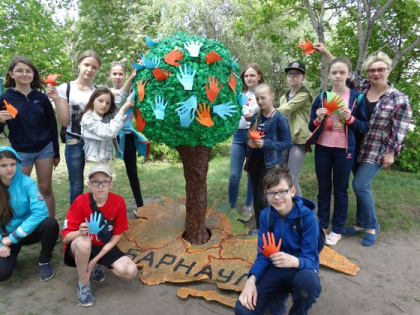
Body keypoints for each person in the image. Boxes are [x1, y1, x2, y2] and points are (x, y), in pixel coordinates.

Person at [315, 44, 412, 246]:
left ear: (388, 70)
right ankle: (360, 222)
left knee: (360, 185)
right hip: (355, 147)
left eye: (380, 69)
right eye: (372, 70)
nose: (376, 73)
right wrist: (325, 52)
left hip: (376, 150)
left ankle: (371, 226)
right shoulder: (363, 88)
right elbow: (342, 72)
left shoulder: (398, 98)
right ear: (368, 73)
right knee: (356, 185)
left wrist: (391, 152)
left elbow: (400, 129)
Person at [235, 167, 321, 315]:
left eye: (282, 191)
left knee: (308, 284)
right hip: (275, 268)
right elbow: (263, 255)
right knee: (243, 310)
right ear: (265, 195)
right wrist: (251, 280)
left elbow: (312, 262)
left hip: (299, 269)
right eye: (271, 193)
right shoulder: (265, 216)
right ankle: (277, 299)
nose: (277, 197)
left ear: (292, 191)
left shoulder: (307, 218)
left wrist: (294, 261)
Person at [307, 57, 369, 246]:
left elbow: (364, 127)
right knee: (323, 189)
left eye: (342, 72)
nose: (338, 76)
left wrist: (350, 119)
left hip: (344, 151)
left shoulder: (357, 98)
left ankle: (337, 229)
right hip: (323, 149)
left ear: (348, 75)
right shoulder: (322, 97)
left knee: (341, 190)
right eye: (334, 72)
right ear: (329, 75)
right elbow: (311, 126)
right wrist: (318, 119)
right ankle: (323, 225)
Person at [62, 164, 138, 307]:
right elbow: (65, 238)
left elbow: (116, 236)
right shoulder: (80, 202)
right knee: (84, 242)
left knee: (130, 271)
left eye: (105, 181)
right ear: (89, 184)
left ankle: (96, 264)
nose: (100, 186)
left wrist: (94, 261)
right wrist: (80, 232)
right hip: (79, 247)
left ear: (111, 184)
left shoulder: (118, 202)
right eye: (95, 181)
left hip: (102, 246)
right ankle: (83, 284)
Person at [0, 56, 60, 217]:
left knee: (45, 188)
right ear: (12, 74)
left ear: (33, 74)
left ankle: (50, 226)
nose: (24, 74)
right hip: (21, 152)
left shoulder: (41, 98)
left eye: (28, 71)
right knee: (17, 190)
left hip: (45, 150)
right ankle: (15, 228)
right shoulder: (5, 99)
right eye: (19, 70)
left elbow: (52, 125)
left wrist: (56, 152)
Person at [46, 50, 101, 204]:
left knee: (98, 182)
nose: (89, 69)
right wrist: (56, 99)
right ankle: (75, 221)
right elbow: (64, 122)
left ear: (98, 70)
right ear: (79, 65)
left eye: (94, 67)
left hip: (94, 143)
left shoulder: (98, 91)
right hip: (74, 141)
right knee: (76, 184)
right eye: (86, 64)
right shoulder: (65, 88)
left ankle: (96, 215)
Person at [0, 146, 59, 282]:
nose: (9, 169)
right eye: (3, 165)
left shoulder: (26, 182)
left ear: (18, 164)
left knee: (50, 223)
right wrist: (1, 245)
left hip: (26, 232)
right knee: (2, 273)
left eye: (12, 164)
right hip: (6, 237)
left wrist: (14, 236)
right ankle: (12, 259)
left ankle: (44, 261)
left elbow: (40, 212)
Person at [247, 84, 292, 234]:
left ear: (272, 96)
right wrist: (251, 143)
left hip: (270, 163)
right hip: (255, 161)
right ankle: (261, 227)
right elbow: (251, 135)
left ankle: (271, 228)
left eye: (263, 98)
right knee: (256, 194)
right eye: (257, 98)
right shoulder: (256, 116)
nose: (260, 101)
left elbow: (287, 143)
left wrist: (266, 143)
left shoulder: (280, 118)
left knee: (264, 196)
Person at [109, 62, 149, 213]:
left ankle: (140, 207)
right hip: (111, 137)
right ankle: (106, 209)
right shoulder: (106, 92)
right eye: (115, 74)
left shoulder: (134, 92)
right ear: (110, 75)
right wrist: (132, 76)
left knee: (132, 172)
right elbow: (117, 102)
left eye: (120, 74)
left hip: (128, 136)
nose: (118, 77)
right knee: (106, 173)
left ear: (124, 75)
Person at [230, 63, 264, 222]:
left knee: (251, 174)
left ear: (259, 77)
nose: (249, 78)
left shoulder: (263, 94)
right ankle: (232, 207)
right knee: (234, 175)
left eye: (252, 75)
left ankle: (248, 207)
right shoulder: (238, 94)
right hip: (238, 136)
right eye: (246, 76)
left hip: (254, 137)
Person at [80, 87, 134, 177]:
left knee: (107, 189)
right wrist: (124, 108)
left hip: (108, 161)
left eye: (107, 103)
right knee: (99, 190)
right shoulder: (88, 119)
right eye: (100, 101)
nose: (104, 105)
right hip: (95, 163)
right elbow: (109, 132)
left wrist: (131, 78)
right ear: (92, 101)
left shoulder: (106, 117)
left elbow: (120, 100)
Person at [279, 61, 312, 197]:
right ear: (287, 77)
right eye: (290, 74)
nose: (293, 76)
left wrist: (267, 111)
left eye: (297, 74)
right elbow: (281, 117)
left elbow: (287, 109)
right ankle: (287, 205)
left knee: (292, 176)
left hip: (298, 140)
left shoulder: (304, 95)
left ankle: (301, 209)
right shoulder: (283, 97)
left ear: (303, 77)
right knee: (283, 175)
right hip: (284, 140)